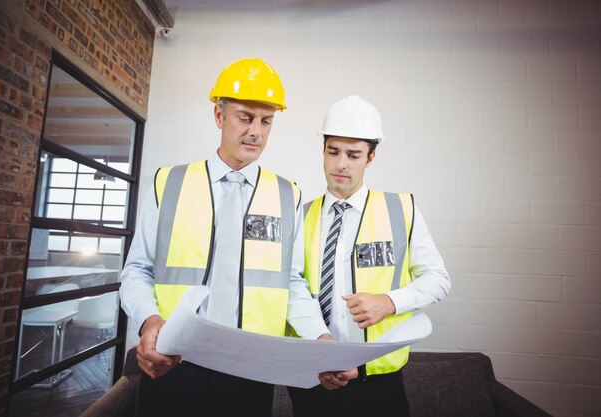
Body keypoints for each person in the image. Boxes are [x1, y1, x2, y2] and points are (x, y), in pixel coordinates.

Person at [119, 57, 331, 417]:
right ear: (219, 116)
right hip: (174, 363)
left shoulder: (287, 194)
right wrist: (149, 320)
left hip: (249, 374)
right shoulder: (168, 183)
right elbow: (138, 269)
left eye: (266, 121)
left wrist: (322, 341)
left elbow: (291, 282)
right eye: (245, 117)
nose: (256, 132)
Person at [288, 95, 451, 416]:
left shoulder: (402, 210)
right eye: (333, 151)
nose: (341, 164)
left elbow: (438, 280)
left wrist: (389, 302)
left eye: (353, 154)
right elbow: (291, 283)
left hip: (378, 382)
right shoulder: (299, 215)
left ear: (371, 157)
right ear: (323, 151)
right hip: (313, 374)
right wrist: (321, 342)